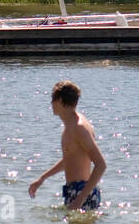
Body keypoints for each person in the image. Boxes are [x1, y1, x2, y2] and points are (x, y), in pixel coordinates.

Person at [28, 81, 106, 211]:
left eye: (53, 99)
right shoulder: (71, 125)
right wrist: (43, 178)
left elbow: (101, 165)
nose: (51, 103)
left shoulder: (78, 127)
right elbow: (70, 160)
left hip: (81, 192)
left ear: (60, 101)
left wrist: (80, 199)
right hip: (76, 191)